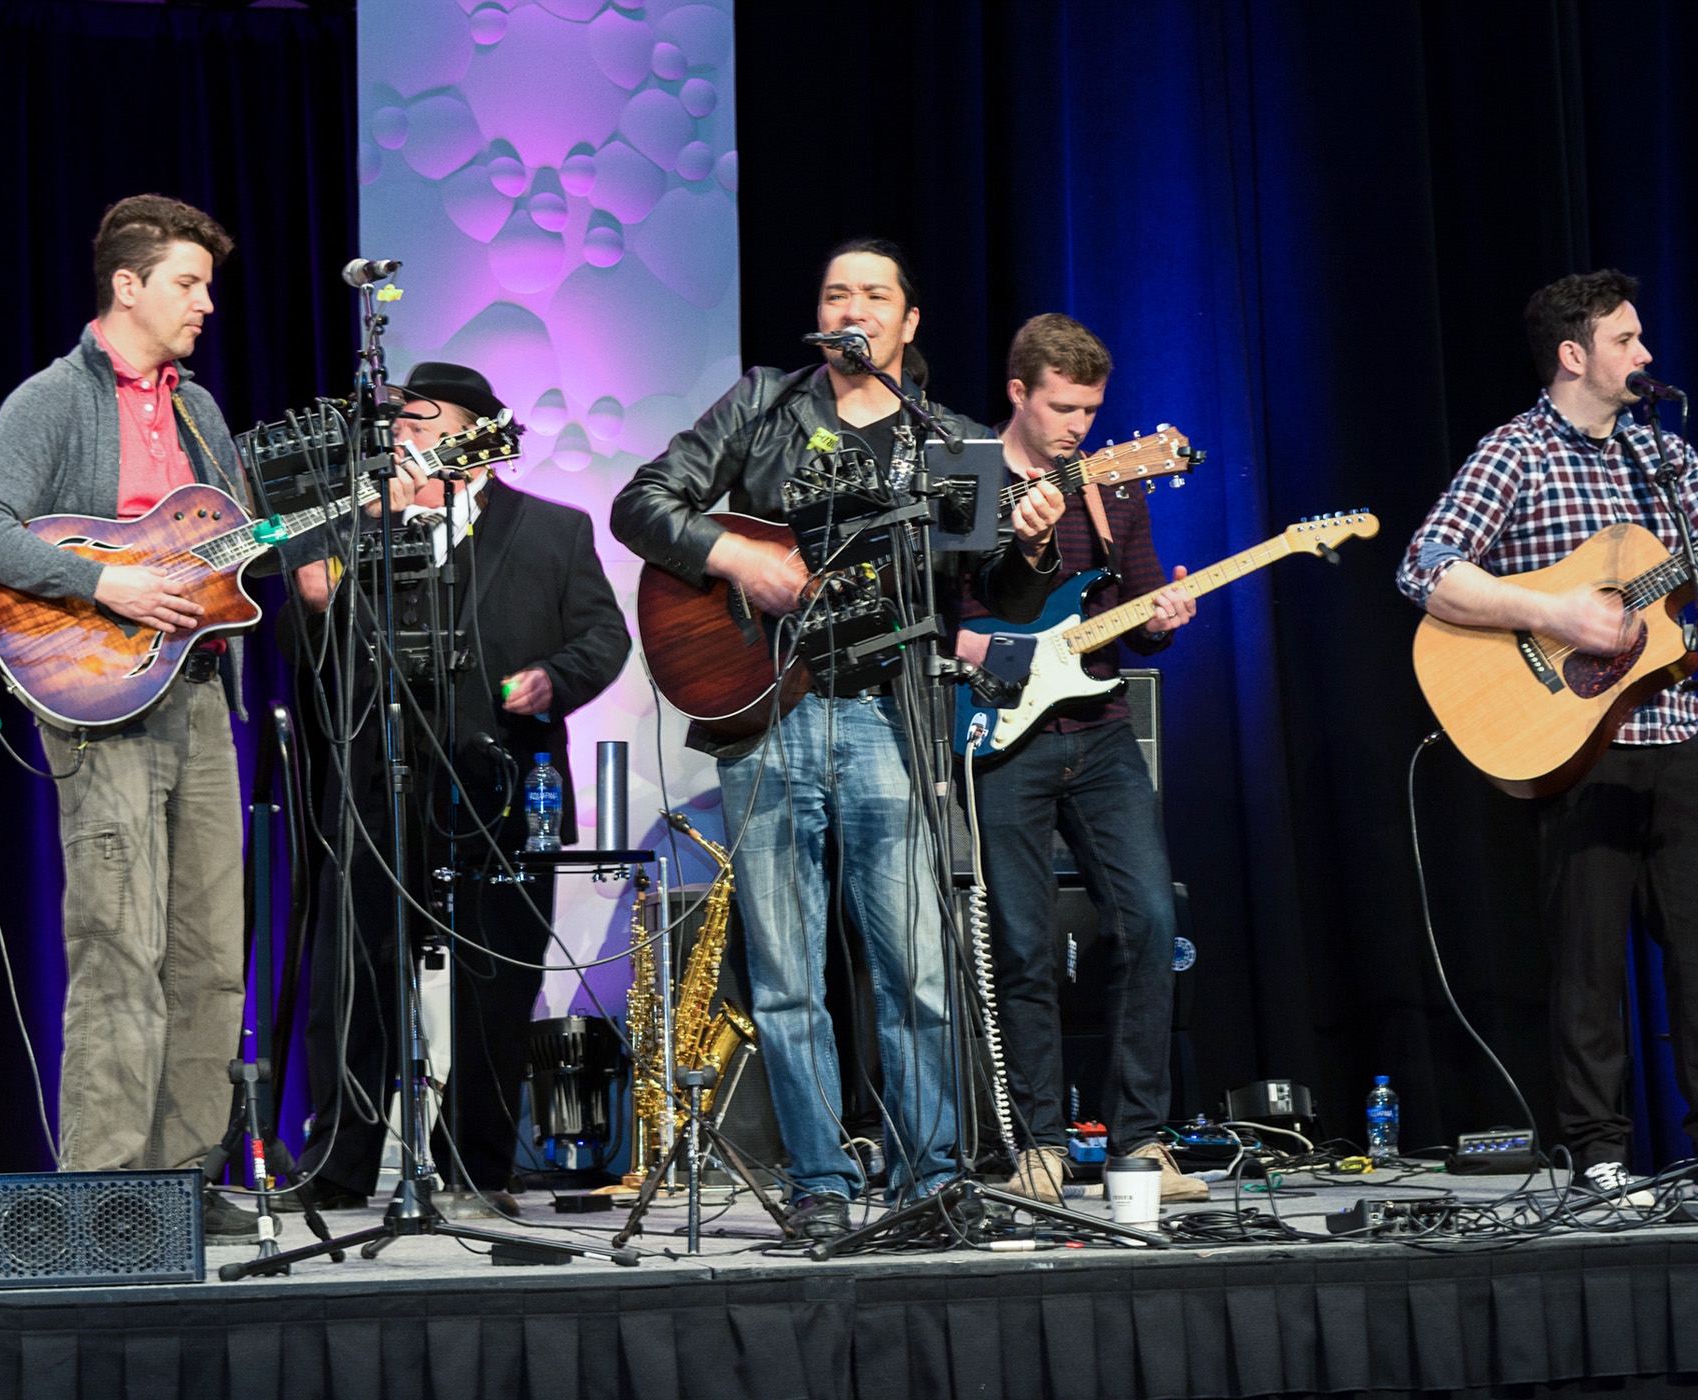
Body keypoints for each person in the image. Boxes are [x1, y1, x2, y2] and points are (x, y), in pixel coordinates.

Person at [610, 239, 1065, 1240]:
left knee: (916, 966)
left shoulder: (949, 441)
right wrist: (736, 553)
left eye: (873, 294)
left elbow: (994, 594)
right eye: (833, 292)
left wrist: (1031, 542)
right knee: (784, 971)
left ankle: (930, 1174)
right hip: (769, 713)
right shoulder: (765, 406)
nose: (851, 304)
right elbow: (640, 502)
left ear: (907, 324)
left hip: (888, 718)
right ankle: (817, 1178)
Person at [1395, 270, 1698, 1188]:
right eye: (1627, 340)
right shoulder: (1514, 453)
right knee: (1589, 969)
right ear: (1575, 354)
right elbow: (1425, 567)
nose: (1646, 356)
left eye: (1643, 341)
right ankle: (1598, 1155)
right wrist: (1554, 614)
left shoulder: (1666, 459)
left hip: (1677, 732)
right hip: (1572, 749)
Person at [0, 194, 324, 1236]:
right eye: (188, 283)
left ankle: (182, 1182)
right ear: (128, 286)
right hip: (100, 701)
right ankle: (104, 1192)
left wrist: (342, 516)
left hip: (202, 698)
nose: (206, 304)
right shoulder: (52, 401)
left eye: (208, 285)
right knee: (121, 943)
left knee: (210, 952)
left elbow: (238, 555)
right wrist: (100, 585)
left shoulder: (201, 414)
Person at [290, 362, 630, 1211]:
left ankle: (478, 1164)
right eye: (396, 421)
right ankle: (338, 1166)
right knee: (359, 976)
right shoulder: (359, 525)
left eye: (422, 420)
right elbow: (309, 621)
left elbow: (603, 635)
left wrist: (555, 679)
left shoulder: (553, 530)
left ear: (476, 434)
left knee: (497, 980)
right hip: (379, 782)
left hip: (506, 787)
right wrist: (375, 523)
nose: (402, 435)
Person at [952, 314, 1208, 1205]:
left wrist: (1163, 619)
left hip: (1099, 727)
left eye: (1091, 411)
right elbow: (934, 614)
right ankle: (1039, 1147)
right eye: (1062, 407)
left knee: (1147, 923)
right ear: (1018, 393)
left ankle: (1140, 1142)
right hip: (1002, 736)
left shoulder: (1116, 486)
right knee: (1022, 947)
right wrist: (988, 648)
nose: (1078, 428)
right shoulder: (965, 475)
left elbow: (1134, 616)